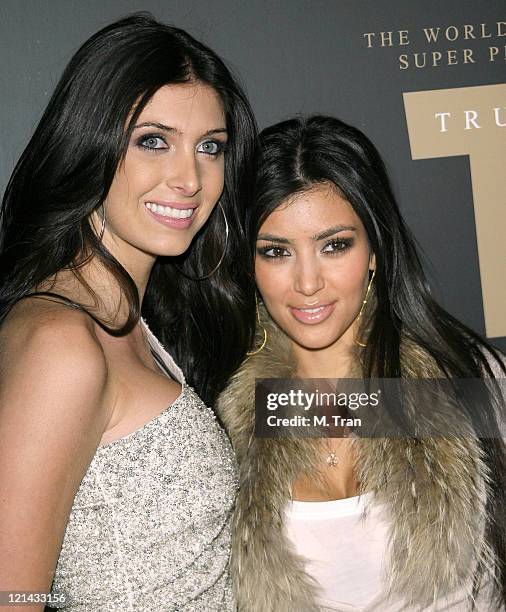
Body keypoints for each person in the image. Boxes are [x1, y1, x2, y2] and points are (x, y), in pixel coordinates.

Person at [0, 13, 257, 611]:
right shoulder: (61, 342)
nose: (189, 178)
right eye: (153, 141)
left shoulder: (135, 323)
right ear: (90, 143)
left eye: (210, 148)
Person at [216, 115, 506, 611]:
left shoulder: (468, 379)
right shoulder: (221, 421)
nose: (308, 282)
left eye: (334, 245)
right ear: (249, 263)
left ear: (373, 248)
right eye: (276, 251)